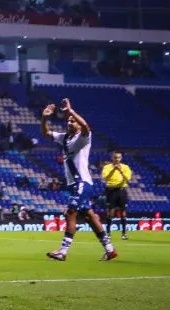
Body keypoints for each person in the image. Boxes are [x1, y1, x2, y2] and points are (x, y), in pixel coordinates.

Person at [42, 100, 117, 261]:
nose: (69, 122)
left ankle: (62, 251)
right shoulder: (64, 138)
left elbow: (86, 127)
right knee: (90, 217)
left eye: (72, 121)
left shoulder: (83, 138)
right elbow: (46, 133)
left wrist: (71, 110)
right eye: (68, 120)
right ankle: (110, 249)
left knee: (70, 213)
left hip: (82, 182)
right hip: (74, 185)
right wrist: (44, 118)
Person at [102, 150, 132, 240]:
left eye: (118, 157)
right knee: (110, 212)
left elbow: (128, 179)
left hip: (121, 190)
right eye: (115, 157)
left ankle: (124, 233)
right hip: (111, 191)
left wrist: (121, 171)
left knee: (123, 212)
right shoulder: (107, 167)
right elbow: (105, 178)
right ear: (112, 158)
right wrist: (113, 170)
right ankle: (108, 233)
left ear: (121, 158)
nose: (117, 159)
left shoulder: (125, 167)